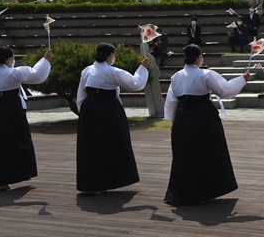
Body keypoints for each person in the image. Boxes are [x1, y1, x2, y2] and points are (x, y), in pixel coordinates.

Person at [164, 44, 250, 205]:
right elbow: (225, 90)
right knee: (208, 153)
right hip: (203, 117)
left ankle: (183, 192)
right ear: (198, 57)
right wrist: (242, 79)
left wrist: (173, 121)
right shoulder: (205, 74)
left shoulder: (176, 76)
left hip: (183, 117)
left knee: (185, 155)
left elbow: (171, 101)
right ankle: (207, 190)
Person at [0, 46, 53, 191]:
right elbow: (36, 75)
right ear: (8, 59)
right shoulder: (14, 73)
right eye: (12, 59)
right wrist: (45, 60)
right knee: (19, 142)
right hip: (13, 113)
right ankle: (20, 173)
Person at [76, 43, 149, 194]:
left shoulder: (87, 70)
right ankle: (110, 180)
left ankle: (92, 183)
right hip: (108, 111)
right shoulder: (112, 71)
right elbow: (135, 83)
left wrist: (83, 113)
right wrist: (143, 68)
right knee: (113, 143)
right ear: (109, 56)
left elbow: (81, 96)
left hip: (89, 110)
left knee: (92, 146)